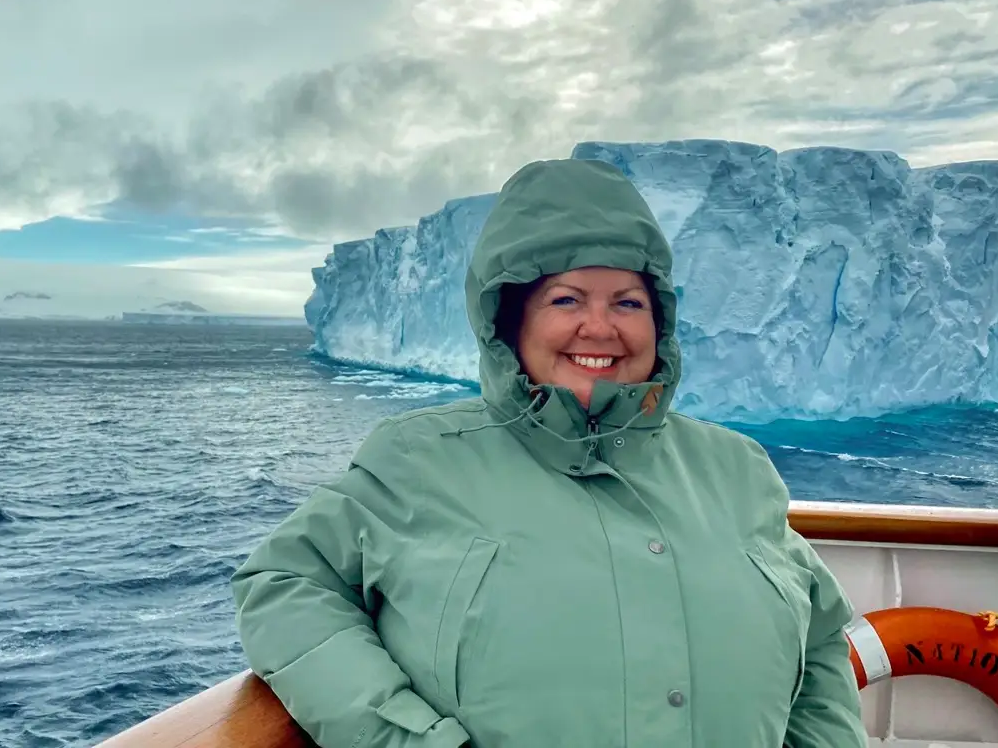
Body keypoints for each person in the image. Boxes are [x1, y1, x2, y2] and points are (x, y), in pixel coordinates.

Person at [231, 158, 868, 747]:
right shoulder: (417, 460)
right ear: (510, 323)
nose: (600, 328)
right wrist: (407, 737)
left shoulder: (736, 469)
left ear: (659, 322)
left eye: (628, 301)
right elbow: (283, 583)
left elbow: (818, 640)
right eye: (566, 299)